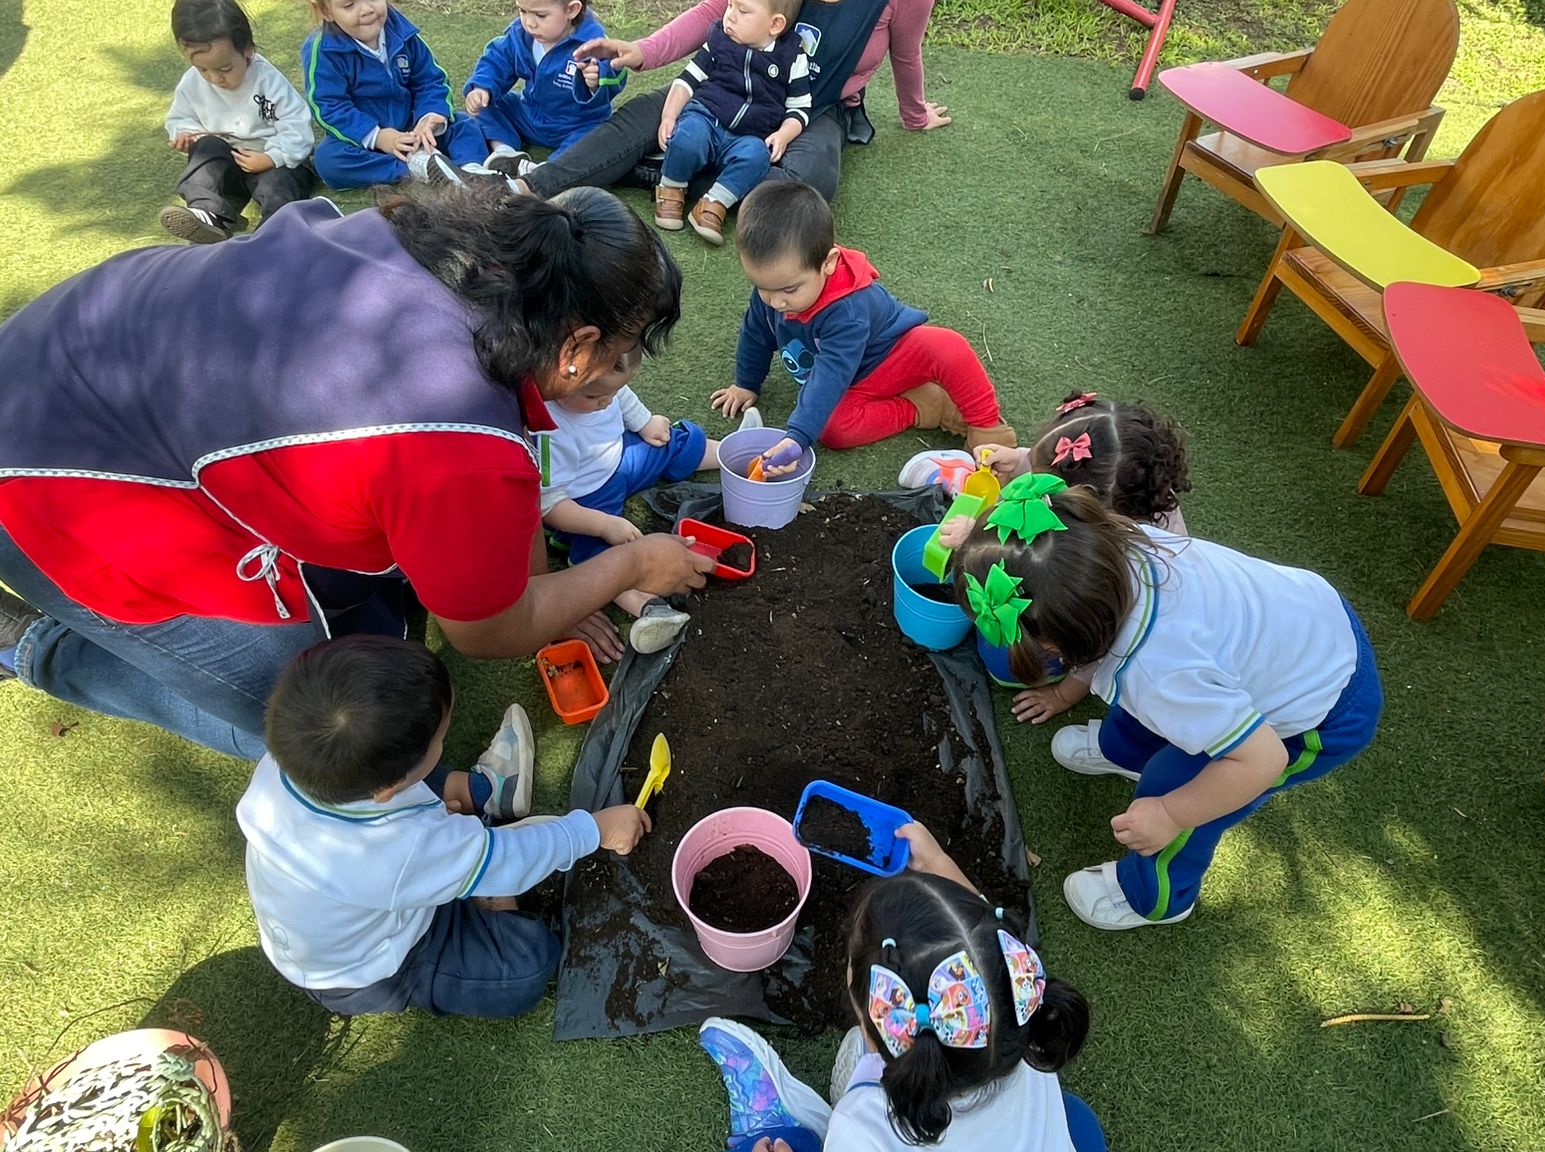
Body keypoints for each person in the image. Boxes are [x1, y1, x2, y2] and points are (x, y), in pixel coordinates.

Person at [0, 186, 712, 758]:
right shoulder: (454, 440)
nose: (622, 380)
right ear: (577, 345)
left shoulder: (445, 258)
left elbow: (504, 507)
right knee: (322, 733)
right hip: (53, 474)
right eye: (621, 360)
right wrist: (633, 565)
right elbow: (486, 632)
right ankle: (29, 647)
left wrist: (539, 588)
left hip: (72, 350)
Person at [954, 478, 1382, 931]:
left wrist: (1171, 813)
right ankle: (1124, 752)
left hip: (1320, 713)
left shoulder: (1161, 674)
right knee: (1152, 710)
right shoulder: (1113, 549)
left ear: (1072, 643)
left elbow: (1262, 760)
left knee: (1176, 785)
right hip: (1302, 622)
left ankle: (1154, 897)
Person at [237, 635, 652, 1016]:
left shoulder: (291, 764)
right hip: (373, 967)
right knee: (523, 969)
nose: (442, 742)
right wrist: (595, 829)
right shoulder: (395, 850)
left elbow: (392, 802)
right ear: (388, 790)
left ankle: (478, 794)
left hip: (370, 887)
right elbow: (510, 859)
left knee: (401, 771)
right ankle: (478, 879)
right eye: (440, 740)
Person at [696, 822, 1105, 1151]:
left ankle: (786, 1118)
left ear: (874, 1029)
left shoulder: (862, 1128)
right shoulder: (1017, 1009)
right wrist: (940, 862)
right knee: (1080, 1123)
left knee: (791, 1143)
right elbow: (980, 946)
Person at [520, 0, 951, 205]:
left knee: (811, 183)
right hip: (731, 81)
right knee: (643, 116)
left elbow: (906, 54)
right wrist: (644, 51)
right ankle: (528, 185)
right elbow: (713, 11)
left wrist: (915, 116)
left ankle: (660, 173)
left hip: (810, 109)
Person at [906, 389, 1192, 720]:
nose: (1033, 481)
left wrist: (1060, 695)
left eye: (1043, 481)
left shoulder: (1128, 573)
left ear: (1085, 513)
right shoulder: (1113, 481)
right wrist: (1021, 460)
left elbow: (1097, 645)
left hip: (1106, 627)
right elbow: (1062, 476)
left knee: (1014, 659)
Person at [713, 181, 1014, 474]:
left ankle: (988, 430)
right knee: (833, 429)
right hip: (855, 380)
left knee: (947, 347)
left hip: (891, 355)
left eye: (789, 290)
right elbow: (756, 333)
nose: (776, 302)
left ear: (828, 262)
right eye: (763, 288)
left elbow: (832, 371)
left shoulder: (847, 308)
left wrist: (798, 434)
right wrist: (746, 382)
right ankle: (924, 407)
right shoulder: (772, 293)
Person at [541, 347, 720, 653]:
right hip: (585, 499)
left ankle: (736, 453)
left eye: (613, 391)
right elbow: (549, 506)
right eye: (595, 398)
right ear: (554, 379)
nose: (606, 402)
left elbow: (621, 397)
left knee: (670, 443)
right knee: (603, 557)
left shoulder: (602, 386)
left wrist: (645, 422)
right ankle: (650, 609)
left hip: (620, 458)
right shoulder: (546, 431)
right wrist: (603, 524)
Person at [301, 0, 502, 190]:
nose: (366, 9)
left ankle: (471, 171)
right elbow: (328, 106)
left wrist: (430, 117)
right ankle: (417, 168)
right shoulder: (322, 50)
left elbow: (430, 80)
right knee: (328, 160)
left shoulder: (402, 32)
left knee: (464, 124)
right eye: (349, 4)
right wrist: (379, 136)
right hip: (367, 140)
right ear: (325, 10)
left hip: (414, 130)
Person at [654, 0, 810, 245]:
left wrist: (784, 135)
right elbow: (687, 80)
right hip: (707, 116)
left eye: (743, 10)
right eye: (729, 6)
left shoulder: (792, 57)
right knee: (688, 136)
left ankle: (713, 204)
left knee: (757, 157)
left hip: (750, 134)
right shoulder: (718, 40)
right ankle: (671, 187)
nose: (730, 17)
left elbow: (800, 108)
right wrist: (669, 115)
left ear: (776, 24)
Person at [160, 0, 316, 244]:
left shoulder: (267, 80)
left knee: (280, 187)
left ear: (248, 51)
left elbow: (297, 126)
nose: (215, 78)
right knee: (206, 148)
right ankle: (209, 215)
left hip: (271, 161)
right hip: (228, 163)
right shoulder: (192, 83)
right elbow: (180, 118)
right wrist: (184, 135)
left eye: (225, 68)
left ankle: (272, 233)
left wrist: (271, 157)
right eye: (203, 69)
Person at [463, 0, 626, 177]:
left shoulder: (593, 42)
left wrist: (598, 80)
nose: (529, 22)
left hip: (577, 125)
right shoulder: (520, 35)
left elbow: (617, 69)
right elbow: (498, 58)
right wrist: (482, 87)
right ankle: (504, 153)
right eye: (522, 11)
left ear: (572, 9)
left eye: (540, 15)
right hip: (530, 115)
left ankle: (546, 171)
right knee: (486, 105)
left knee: (599, 137)